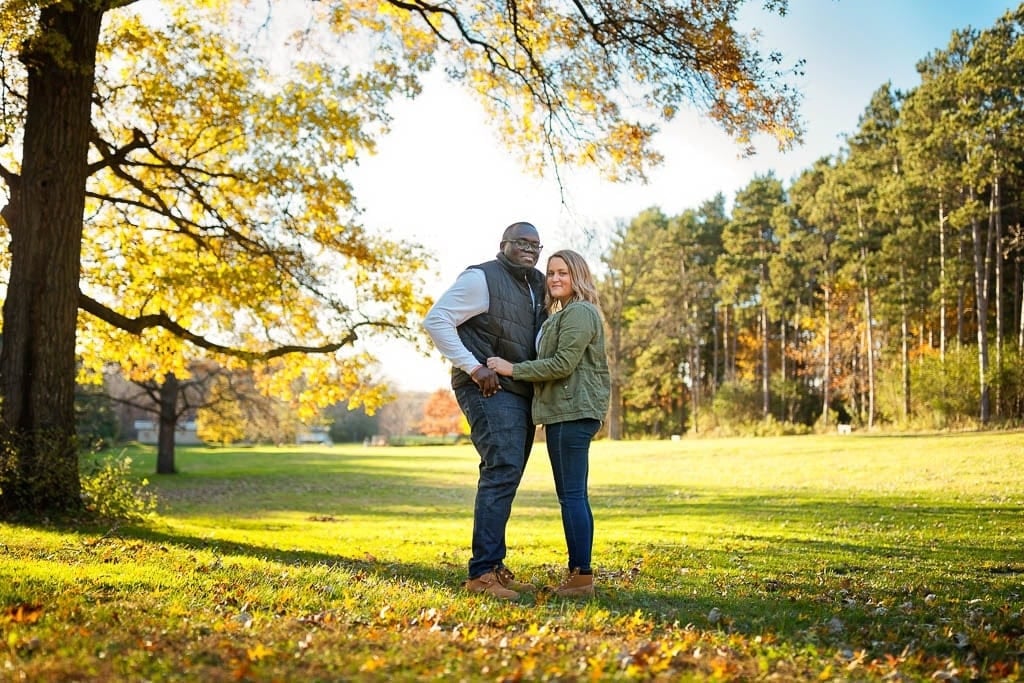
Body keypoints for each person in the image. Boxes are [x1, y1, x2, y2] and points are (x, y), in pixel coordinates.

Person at [422, 221, 547, 600]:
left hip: (519, 387)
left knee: (507, 474)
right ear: (503, 244)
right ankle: (481, 575)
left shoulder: (537, 283)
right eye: (522, 242)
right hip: (486, 386)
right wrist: (473, 367)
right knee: (501, 469)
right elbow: (436, 320)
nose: (530, 249)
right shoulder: (481, 278)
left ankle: (493, 567)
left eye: (536, 245)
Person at [487, 249, 610, 598]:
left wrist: (512, 369)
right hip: (562, 413)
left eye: (564, 273)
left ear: (578, 277)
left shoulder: (581, 312)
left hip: (572, 413)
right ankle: (579, 573)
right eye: (552, 272)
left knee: (572, 496)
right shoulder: (561, 314)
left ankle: (581, 577)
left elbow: (561, 364)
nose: (555, 278)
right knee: (571, 495)